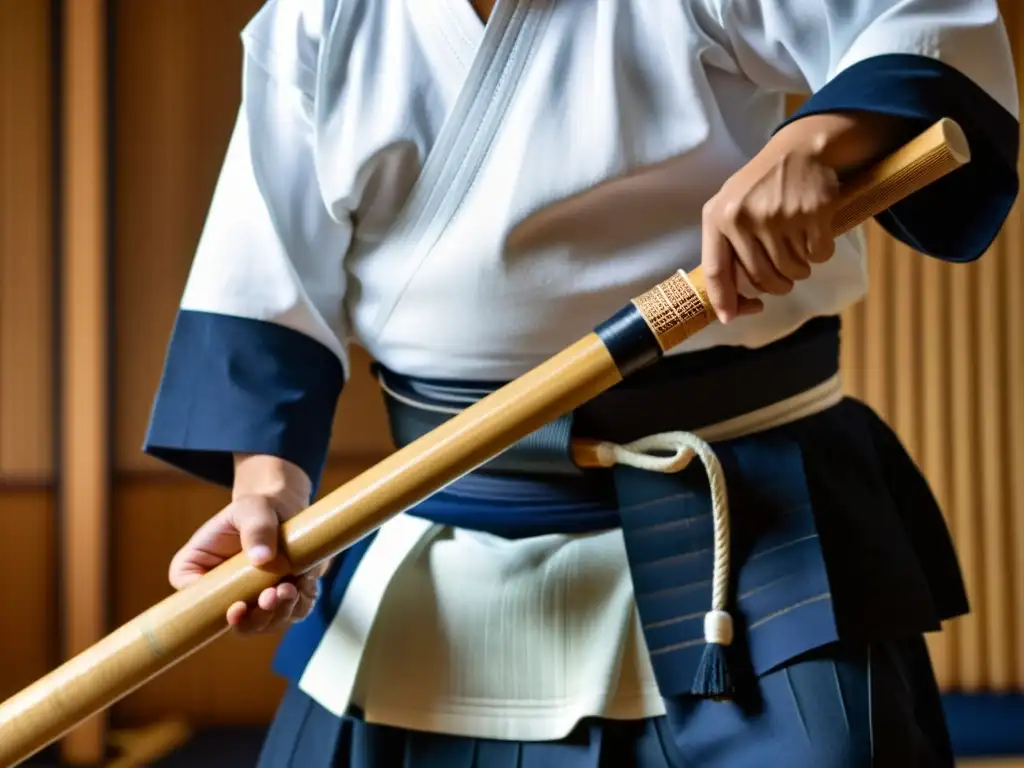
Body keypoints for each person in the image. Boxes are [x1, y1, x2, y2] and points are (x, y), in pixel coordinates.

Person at [144, 0, 1019, 765]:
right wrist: (267, 486)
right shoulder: (320, 15)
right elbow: (266, 281)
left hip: (746, 512)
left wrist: (819, 139)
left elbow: (918, 24)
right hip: (454, 502)